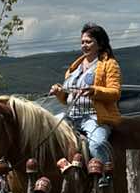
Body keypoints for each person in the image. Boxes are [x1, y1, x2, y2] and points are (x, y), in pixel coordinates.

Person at [50, 24, 121, 182]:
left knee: (97, 144)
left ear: (100, 44)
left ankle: (106, 178)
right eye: (82, 42)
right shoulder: (74, 67)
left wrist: (95, 91)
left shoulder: (109, 64)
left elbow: (115, 93)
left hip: (94, 116)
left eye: (89, 42)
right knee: (48, 130)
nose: (84, 45)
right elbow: (66, 99)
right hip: (71, 116)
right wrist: (59, 92)